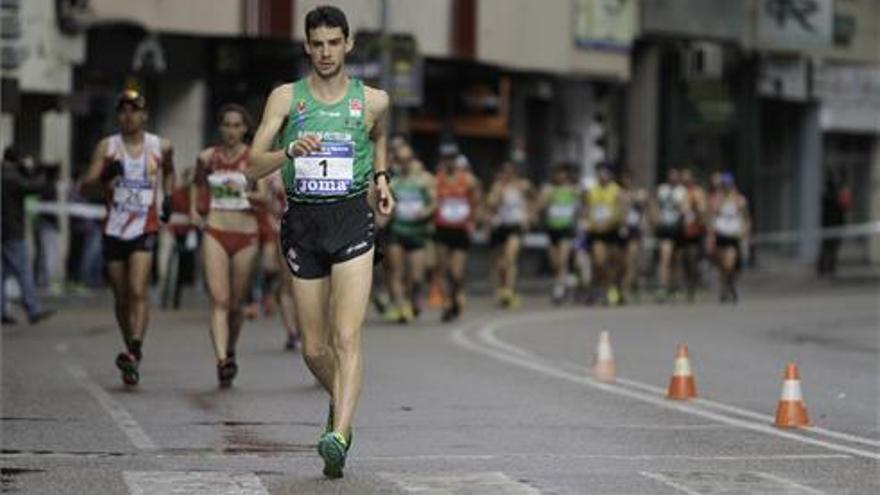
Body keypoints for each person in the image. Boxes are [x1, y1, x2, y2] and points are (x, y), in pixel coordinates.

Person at [245, 5, 393, 478]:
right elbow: (251, 164)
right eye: (318, 43)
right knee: (314, 349)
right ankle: (341, 401)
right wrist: (288, 149)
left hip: (351, 218)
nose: (326, 52)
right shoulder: (286, 99)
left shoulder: (373, 101)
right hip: (303, 224)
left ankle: (339, 434)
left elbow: (380, 136)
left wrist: (383, 178)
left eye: (335, 42)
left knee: (346, 336)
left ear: (348, 44)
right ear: (307, 46)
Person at [80, 89, 175, 385]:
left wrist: (169, 197)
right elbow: (86, 188)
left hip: (144, 227)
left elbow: (169, 172)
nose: (129, 115)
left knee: (137, 289)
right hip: (114, 228)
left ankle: (135, 347)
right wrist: (106, 174)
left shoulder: (161, 146)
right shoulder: (107, 147)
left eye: (135, 110)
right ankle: (130, 348)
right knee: (121, 296)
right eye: (123, 110)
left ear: (145, 115)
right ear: (118, 115)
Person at [191, 104, 267, 388]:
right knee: (219, 300)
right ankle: (222, 360)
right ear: (220, 128)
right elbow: (196, 185)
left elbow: (264, 197)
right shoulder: (207, 157)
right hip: (216, 231)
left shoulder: (253, 160)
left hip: (246, 235)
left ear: (245, 128)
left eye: (237, 125)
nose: (232, 131)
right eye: (227, 125)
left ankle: (231, 348)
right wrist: (193, 210)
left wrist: (246, 191)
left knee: (235, 304)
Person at [1, 148, 55, 325]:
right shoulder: (12, 177)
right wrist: (38, 171)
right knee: (23, 270)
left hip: (4, 230)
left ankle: (2, 311)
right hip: (13, 231)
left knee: (1, 273)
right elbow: (35, 187)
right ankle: (33, 309)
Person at [385, 141, 435, 323]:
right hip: (397, 231)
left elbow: (433, 202)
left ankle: (411, 299)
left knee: (416, 277)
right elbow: (383, 203)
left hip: (417, 233)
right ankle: (401, 305)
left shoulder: (424, 179)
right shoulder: (392, 181)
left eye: (407, 159)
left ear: (413, 160)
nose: (403, 163)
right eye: (399, 159)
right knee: (397, 271)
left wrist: (426, 212)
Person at [433, 147, 481, 322]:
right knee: (442, 268)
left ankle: (455, 296)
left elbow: (476, 202)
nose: (449, 162)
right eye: (446, 158)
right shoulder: (437, 180)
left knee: (456, 273)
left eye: (452, 158)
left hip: (461, 230)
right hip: (442, 228)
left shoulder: (468, 180)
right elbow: (432, 201)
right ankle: (446, 303)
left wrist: (474, 222)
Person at [486, 161, 533, 308]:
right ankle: (501, 289)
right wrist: (498, 193)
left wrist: (528, 216)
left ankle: (509, 291)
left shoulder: (522, 185)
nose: (507, 175)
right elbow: (491, 205)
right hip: (500, 226)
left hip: (515, 226)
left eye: (509, 172)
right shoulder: (497, 187)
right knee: (500, 264)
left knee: (510, 258)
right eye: (504, 172)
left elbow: (534, 200)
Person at [583, 162, 624, 305]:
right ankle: (599, 290)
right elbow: (587, 210)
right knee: (599, 262)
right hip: (596, 232)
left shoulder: (616, 190)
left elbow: (621, 210)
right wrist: (587, 222)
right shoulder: (592, 191)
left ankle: (613, 288)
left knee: (613, 263)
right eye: (600, 173)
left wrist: (614, 222)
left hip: (612, 230)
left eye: (605, 173)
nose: (602, 176)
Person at [538, 164, 579, 305]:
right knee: (555, 263)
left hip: (566, 229)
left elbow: (582, 205)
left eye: (562, 174)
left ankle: (559, 290)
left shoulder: (573, 190)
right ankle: (566, 281)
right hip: (552, 229)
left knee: (562, 260)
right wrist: (546, 198)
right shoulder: (549, 190)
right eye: (557, 174)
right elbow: (540, 206)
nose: (559, 177)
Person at [707, 172, 750, 303]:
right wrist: (710, 235)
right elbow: (711, 218)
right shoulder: (717, 199)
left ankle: (730, 285)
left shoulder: (739, 200)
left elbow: (746, 218)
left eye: (728, 185)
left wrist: (746, 232)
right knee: (722, 266)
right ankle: (724, 288)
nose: (726, 187)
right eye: (723, 185)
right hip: (720, 234)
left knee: (730, 264)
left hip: (733, 235)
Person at [651, 168, 685, 302]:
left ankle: (676, 287)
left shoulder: (682, 191)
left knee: (677, 259)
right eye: (671, 175)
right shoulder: (662, 190)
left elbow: (685, 207)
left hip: (678, 228)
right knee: (665, 257)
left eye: (675, 175)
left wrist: (681, 209)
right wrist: (655, 218)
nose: (673, 177)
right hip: (665, 228)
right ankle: (662, 287)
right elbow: (654, 204)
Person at [617, 169, 648, 302]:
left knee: (632, 259)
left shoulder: (639, 194)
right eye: (624, 179)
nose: (626, 182)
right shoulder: (618, 194)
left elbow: (644, 210)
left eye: (628, 179)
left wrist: (644, 222)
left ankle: (625, 290)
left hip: (634, 230)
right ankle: (631, 285)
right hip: (622, 229)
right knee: (622, 262)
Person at [679, 168, 707, 302]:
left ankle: (692, 286)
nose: (685, 179)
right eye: (683, 177)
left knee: (692, 257)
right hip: (680, 230)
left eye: (688, 177)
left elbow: (702, 211)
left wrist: (695, 207)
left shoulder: (697, 192)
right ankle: (686, 284)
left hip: (694, 230)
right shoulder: (678, 192)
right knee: (683, 259)